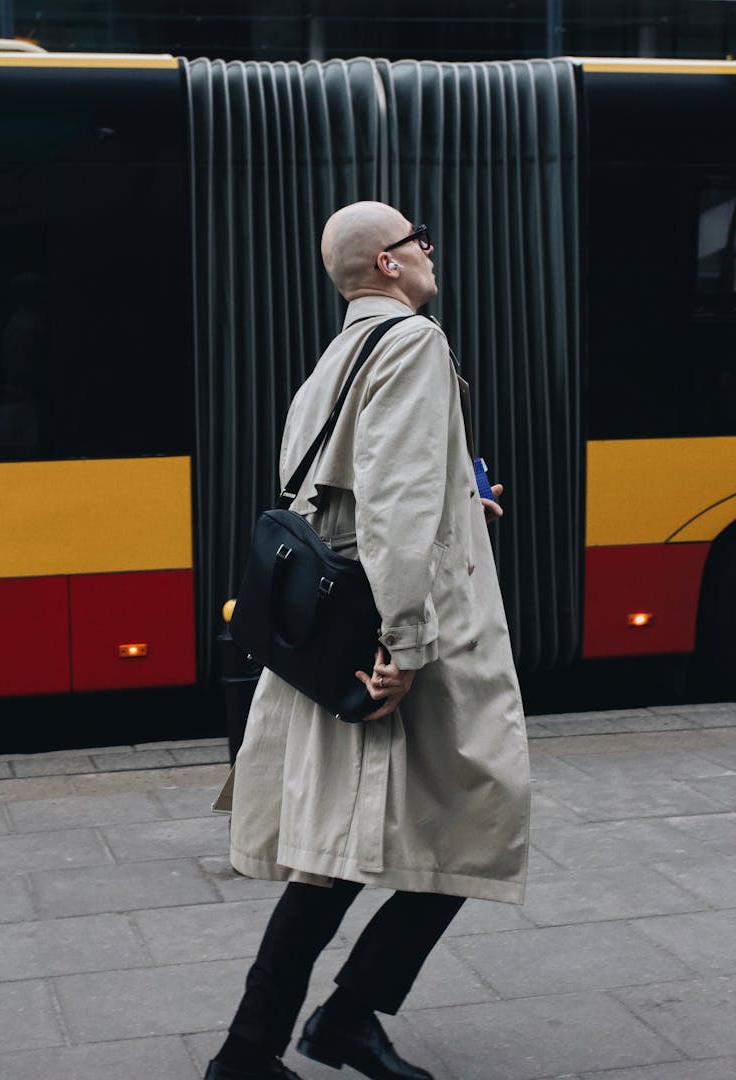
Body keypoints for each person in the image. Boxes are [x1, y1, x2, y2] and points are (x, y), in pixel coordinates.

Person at [206, 201, 530, 1080]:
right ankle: (341, 1019)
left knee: (345, 850)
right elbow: (391, 505)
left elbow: (340, 491)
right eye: (419, 240)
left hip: (339, 627)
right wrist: (408, 646)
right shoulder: (415, 342)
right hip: (397, 634)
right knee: (479, 814)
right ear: (388, 263)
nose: (430, 251)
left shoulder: (333, 359)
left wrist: (463, 502)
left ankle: (252, 1050)